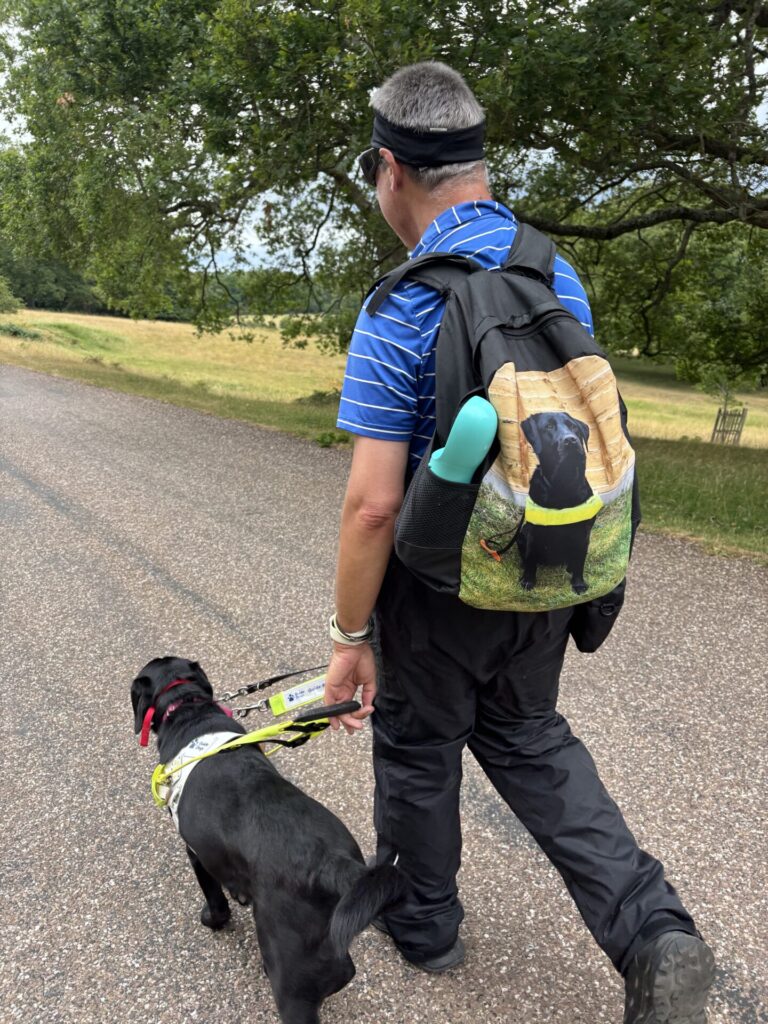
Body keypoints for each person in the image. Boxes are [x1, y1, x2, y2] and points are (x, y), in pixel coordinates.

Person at [323, 61, 714, 1023]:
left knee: (420, 748)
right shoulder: (554, 270)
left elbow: (375, 506)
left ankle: (428, 925)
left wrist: (348, 635)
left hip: (437, 585)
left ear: (389, 171)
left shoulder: (399, 305)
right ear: (478, 163)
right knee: (530, 737)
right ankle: (654, 932)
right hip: (546, 563)